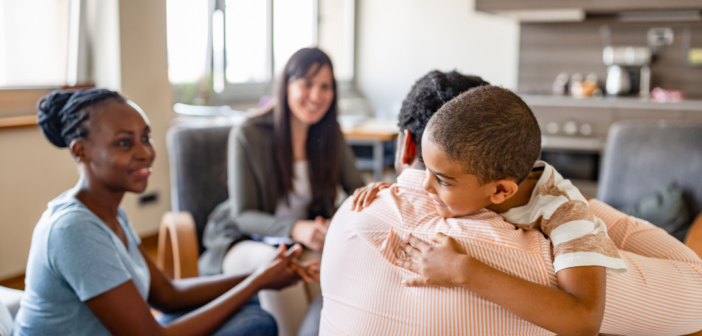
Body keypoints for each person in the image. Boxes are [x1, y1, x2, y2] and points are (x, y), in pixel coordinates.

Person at [322, 70, 702, 335]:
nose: (427, 190)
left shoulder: (349, 215)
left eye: (442, 180)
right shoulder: (534, 261)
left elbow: (584, 318)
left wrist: (464, 270)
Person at [14, 88, 318, 336]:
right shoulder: (73, 230)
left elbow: (167, 294)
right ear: (81, 151)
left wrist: (260, 275)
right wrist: (256, 281)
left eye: (145, 137)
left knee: (253, 310)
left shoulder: (109, 212)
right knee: (257, 322)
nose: (145, 152)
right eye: (124, 142)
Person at [199, 47, 365, 335]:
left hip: (298, 241)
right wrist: (295, 228)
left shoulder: (329, 133)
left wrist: (334, 223)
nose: (316, 95)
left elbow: (357, 193)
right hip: (242, 240)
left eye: (325, 86)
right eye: (307, 83)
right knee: (276, 265)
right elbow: (243, 215)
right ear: (286, 85)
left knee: (328, 262)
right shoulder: (249, 134)